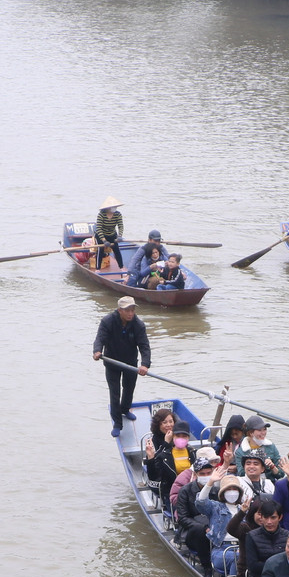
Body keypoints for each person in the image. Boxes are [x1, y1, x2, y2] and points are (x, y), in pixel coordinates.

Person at [91, 296, 150, 437]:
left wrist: (145, 364)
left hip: (130, 363)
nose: (130, 313)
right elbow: (100, 338)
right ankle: (117, 423)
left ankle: (125, 410)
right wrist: (97, 351)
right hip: (112, 362)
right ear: (119, 311)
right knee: (115, 392)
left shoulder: (138, 325)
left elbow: (144, 346)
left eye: (133, 310)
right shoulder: (108, 321)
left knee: (129, 388)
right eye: (127, 310)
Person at [194, 467, 247, 577]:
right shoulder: (216, 507)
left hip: (243, 548)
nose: (232, 492)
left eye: (234, 489)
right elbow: (201, 502)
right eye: (229, 489)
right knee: (238, 557)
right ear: (223, 493)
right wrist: (210, 483)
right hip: (221, 550)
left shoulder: (245, 509)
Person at [241, 499, 288, 577]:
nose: (269, 522)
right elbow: (253, 566)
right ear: (261, 517)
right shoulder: (251, 536)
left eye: (273, 517)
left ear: (280, 517)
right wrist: (278, 565)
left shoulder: (287, 536)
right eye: (266, 517)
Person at [143, 411, 193, 501]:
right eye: (164, 422)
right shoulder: (154, 440)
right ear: (158, 424)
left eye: (171, 421)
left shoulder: (182, 442)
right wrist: (166, 442)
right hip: (165, 481)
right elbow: (155, 467)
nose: (169, 425)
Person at [94, 197, 125, 270]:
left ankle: (121, 267)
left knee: (116, 249)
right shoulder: (101, 215)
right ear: (108, 208)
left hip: (112, 234)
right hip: (101, 235)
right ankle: (98, 269)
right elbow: (99, 228)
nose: (114, 208)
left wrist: (120, 236)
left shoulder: (118, 214)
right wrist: (104, 240)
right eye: (113, 207)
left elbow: (120, 226)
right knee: (100, 250)